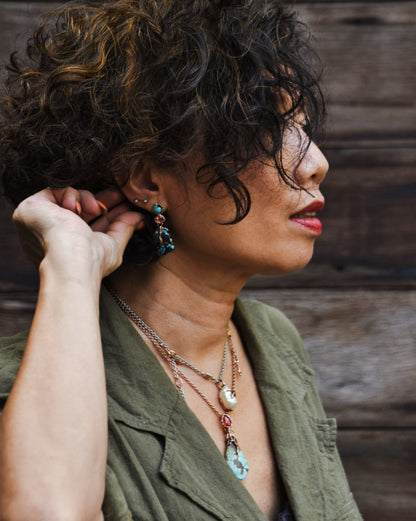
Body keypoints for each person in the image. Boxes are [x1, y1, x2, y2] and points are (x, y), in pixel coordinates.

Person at [0, 1, 363, 520]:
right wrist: (69, 266)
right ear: (149, 179)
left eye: (303, 126)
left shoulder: (269, 340)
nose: (315, 163)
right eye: (267, 128)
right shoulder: (27, 391)